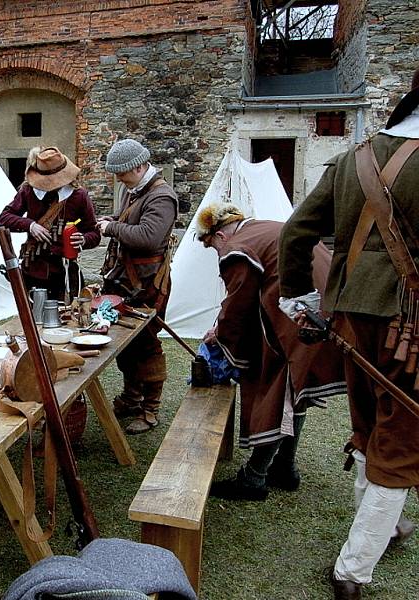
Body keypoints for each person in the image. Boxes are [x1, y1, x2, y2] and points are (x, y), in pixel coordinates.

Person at [278, 69, 419, 599]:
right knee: (400, 446)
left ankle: (389, 526)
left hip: (349, 318)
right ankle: (352, 572)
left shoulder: (352, 158)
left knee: (369, 425)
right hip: (409, 327)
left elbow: (297, 232)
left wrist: (301, 297)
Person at [196, 204, 346, 501]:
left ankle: (254, 478)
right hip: (328, 305)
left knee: (279, 390)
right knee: (295, 387)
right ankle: (284, 467)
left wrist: (221, 334)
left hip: (304, 315)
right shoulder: (262, 226)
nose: (216, 253)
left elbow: (238, 303)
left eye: (211, 246)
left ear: (219, 236)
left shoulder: (236, 248)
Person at [98, 139, 178, 434]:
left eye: (122, 173)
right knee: (125, 346)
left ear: (139, 167)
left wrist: (112, 228)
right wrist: (115, 220)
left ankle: (150, 409)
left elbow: (149, 237)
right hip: (127, 282)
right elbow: (133, 222)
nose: (119, 179)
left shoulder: (162, 196)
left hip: (147, 285)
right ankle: (132, 398)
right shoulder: (137, 191)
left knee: (146, 345)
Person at [0, 146, 100, 301]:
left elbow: (94, 233)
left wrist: (84, 239)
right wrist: (31, 225)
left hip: (66, 272)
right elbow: (4, 218)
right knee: (35, 319)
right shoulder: (28, 191)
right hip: (34, 270)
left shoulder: (79, 196)